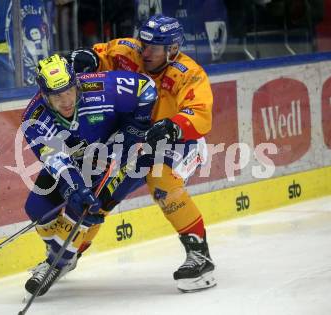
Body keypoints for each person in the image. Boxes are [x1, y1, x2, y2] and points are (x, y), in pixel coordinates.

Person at [68, 14, 216, 292]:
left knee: (161, 178)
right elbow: (103, 55)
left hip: (181, 141)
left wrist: (172, 126)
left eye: (154, 48)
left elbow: (201, 115)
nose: (145, 52)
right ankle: (67, 254)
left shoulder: (190, 74)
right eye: (143, 44)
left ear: (172, 50)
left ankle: (200, 255)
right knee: (99, 190)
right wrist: (88, 57)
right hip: (135, 139)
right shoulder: (130, 51)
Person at [21, 54, 157, 296]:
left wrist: (135, 128)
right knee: (36, 208)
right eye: (57, 96)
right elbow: (54, 158)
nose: (66, 101)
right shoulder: (34, 118)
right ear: (44, 96)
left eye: (69, 91)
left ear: (76, 84)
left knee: (87, 207)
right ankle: (61, 253)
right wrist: (74, 187)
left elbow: (147, 89)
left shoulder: (100, 86)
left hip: (119, 156)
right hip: (75, 161)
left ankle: (56, 263)